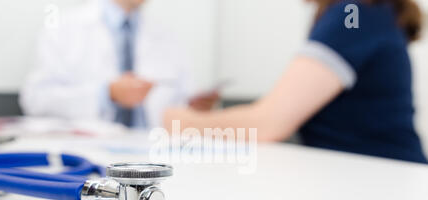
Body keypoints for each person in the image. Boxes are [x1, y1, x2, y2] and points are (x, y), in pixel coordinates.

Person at [164, 0, 427, 164]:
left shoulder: (352, 15)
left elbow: (268, 124)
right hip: (379, 180)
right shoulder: (367, 12)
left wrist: (179, 121)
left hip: (385, 185)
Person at [20, 0, 217, 129]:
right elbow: (35, 100)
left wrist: (194, 107)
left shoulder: (167, 36)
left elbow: (180, 101)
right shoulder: (63, 27)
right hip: (87, 152)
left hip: (152, 153)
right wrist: (107, 94)